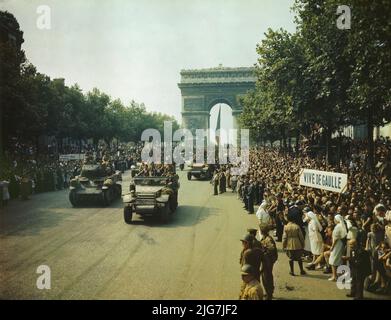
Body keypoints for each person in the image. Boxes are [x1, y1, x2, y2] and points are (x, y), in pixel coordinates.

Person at [259, 224, 278, 300]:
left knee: (267, 277)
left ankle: (269, 294)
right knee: (264, 277)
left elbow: (271, 249)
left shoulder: (268, 239)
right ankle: (268, 292)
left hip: (268, 261)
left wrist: (264, 252)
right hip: (266, 260)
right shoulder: (265, 238)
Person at [328, 214, 347, 281]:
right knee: (337, 260)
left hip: (337, 244)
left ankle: (334, 276)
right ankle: (337, 275)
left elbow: (335, 238)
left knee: (333, 260)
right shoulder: (341, 226)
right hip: (340, 244)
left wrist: (332, 247)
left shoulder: (338, 227)